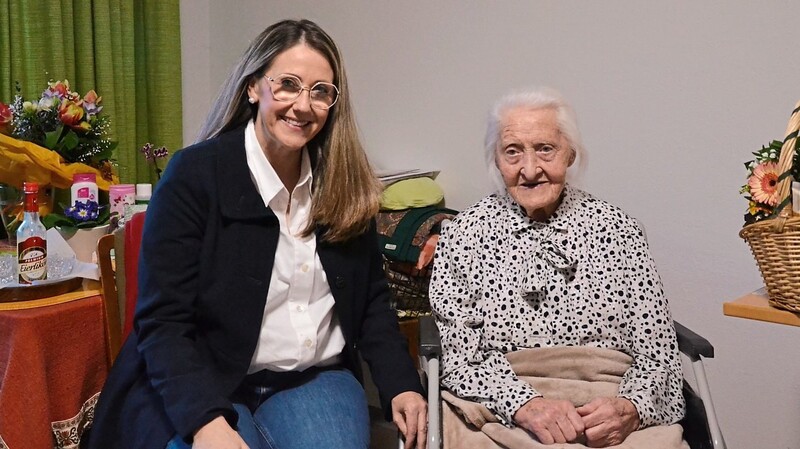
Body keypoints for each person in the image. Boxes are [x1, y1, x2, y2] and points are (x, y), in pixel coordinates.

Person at [85, 19, 427, 449]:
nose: (303, 105)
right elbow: (162, 323)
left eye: (321, 91)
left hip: (312, 377)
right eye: (288, 84)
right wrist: (206, 423)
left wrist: (402, 383)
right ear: (253, 88)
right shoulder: (194, 175)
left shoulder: (343, 182)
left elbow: (371, 301)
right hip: (205, 377)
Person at [428, 87, 684, 447]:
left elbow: (657, 353)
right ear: (496, 160)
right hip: (501, 407)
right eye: (512, 152)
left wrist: (631, 407)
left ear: (570, 154)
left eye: (545, 149)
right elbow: (459, 359)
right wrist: (524, 404)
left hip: (606, 405)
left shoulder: (618, 229)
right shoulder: (464, 235)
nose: (530, 170)